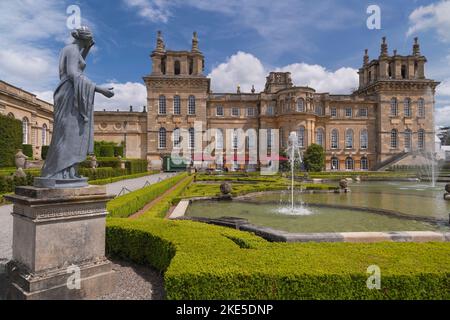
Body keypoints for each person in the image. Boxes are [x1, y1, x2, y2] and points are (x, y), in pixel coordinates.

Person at [41, 26, 114, 180]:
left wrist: (87, 50)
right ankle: (58, 173)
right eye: (89, 40)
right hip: (70, 93)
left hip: (69, 91)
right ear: (85, 39)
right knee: (69, 133)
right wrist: (100, 89)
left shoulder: (70, 50)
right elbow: (74, 73)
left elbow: (78, 64)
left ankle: (69, 172)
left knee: (72, 133)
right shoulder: (72, 50)